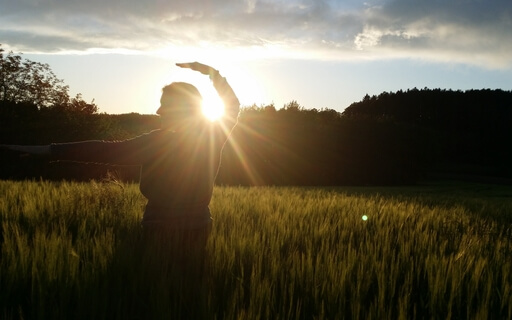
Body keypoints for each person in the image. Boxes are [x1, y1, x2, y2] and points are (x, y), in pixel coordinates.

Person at [1, 61, 240, 266]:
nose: (158, 110)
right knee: (190, 290)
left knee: (155, 287)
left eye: (164, 105)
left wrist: (49, 151)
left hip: (159, 225)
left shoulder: (157, 142)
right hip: (198, 224)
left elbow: (104, 150)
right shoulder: (213, 135)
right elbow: (232, 106)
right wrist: (211, 73)